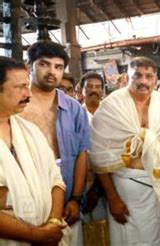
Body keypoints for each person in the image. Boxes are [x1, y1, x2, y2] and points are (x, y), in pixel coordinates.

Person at [90, 56, 160, 245]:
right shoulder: (111, 106)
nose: (144, 81)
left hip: (156, 190)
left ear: (155, 80)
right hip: (123, 192)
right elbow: (99, 157)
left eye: (149, 76)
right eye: (138, 75)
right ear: (128, 77)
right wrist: (112, 198)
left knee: (156, 240)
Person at [21, 41, 90, 246]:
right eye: (44, 64)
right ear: (29, 66)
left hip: (68, 199)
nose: (52, 71)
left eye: (58, 67)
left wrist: (76, 199)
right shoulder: (17, 105)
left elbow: (82, 154)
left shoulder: (74, 108)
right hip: (27, 197)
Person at [0, 56, 68, 245]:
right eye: (20, 87)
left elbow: (56, 179)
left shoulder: (29, 130)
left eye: (27, 85)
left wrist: (53, 223)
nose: (28, 93)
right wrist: (36, 235)